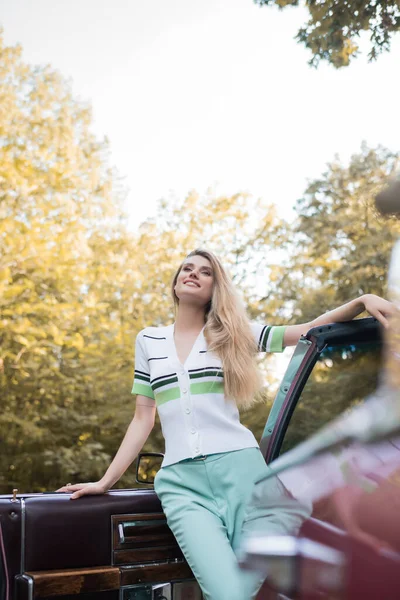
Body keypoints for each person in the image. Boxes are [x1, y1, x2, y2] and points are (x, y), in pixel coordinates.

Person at [57, 249, 395, 600]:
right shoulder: (149, 341)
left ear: (214, 289)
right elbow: (143, 416)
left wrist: (362, 300)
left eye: (205, 272)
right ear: (174, 284)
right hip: (181, 486)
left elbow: (310, 331)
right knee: (228, 592)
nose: (193, 274)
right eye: (186, 268)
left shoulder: (233, 334)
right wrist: (105, 481)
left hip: (244, 475)